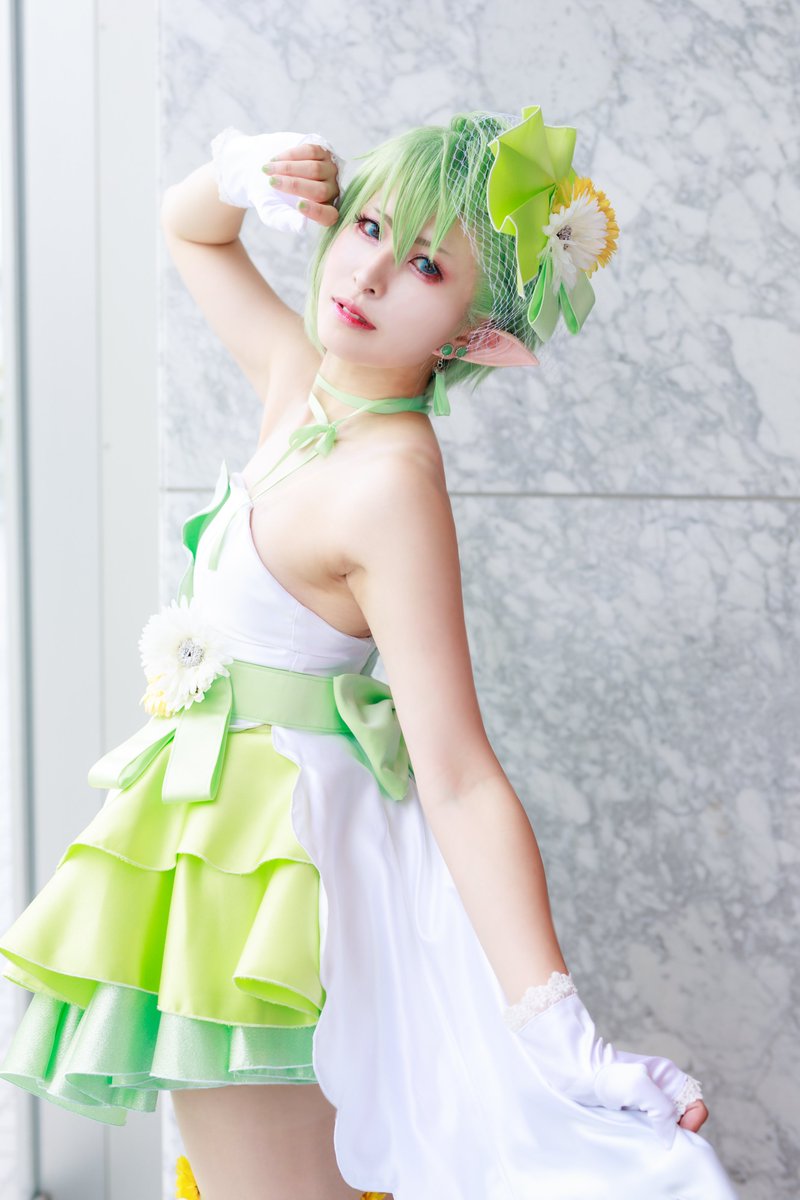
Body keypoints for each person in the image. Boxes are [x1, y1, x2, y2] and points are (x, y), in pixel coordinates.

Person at [0, 106, 740, 1200]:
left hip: (278, 884)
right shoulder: (301, 386)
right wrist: (243, 170)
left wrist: (556, 1027)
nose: (371, 271)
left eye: (427, 265)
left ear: (476, 334)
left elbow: (458, 771)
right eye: (369, 225)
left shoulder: (391, 482)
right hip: (226, 858)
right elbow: (190, 228)